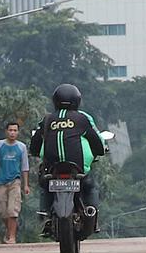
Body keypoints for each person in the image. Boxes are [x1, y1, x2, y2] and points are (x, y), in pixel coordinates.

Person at [29, 84, 107, 236]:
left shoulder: (47, 119)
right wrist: (100, 151)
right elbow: (96, 141)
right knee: (90, 186)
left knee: (45, 186)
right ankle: (92, 213)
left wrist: (35, 153)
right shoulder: (82, 119)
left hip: (52, 168)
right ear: (77, 101)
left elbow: (34, 145)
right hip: (76, 168)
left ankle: (45, 216)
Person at [0, 121, 31, 244]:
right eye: (10, 130)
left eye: (15, 130)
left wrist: (26, 185)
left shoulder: (21, 147)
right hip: (1, 182)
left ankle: (12, 237)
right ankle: (9, 231)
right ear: (6, 131)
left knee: (13, 210)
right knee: (2, 211)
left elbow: (25, 167)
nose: (12, 133)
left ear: (18, 132)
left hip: (15, 182)